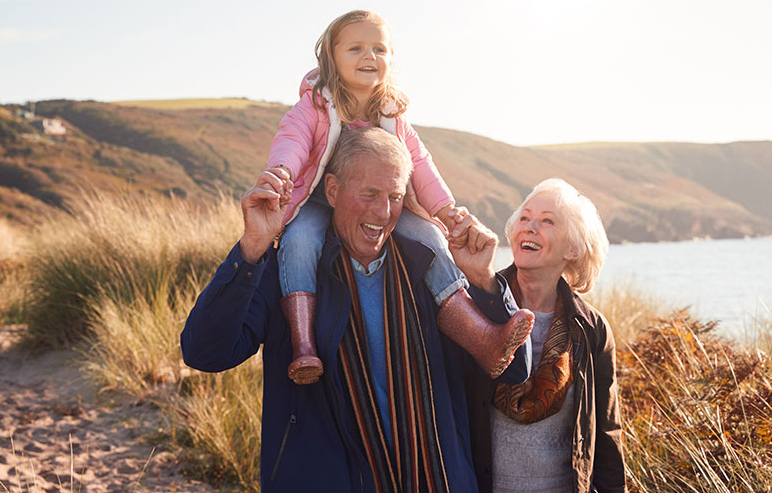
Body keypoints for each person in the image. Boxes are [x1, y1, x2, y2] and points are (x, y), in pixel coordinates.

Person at [181, 127, 534, 492]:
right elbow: (204, 353)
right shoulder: (288, 274)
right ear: (331, 190)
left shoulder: (431, 270)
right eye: (370, 194)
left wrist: (484, 281)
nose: (383, 212)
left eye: (395, 196)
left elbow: (513, 370)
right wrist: (252, 246)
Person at [265, 9, 516, 385]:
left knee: (431, 239)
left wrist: (446, 211)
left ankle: (481, 337)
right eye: (356, 48)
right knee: (300, 241)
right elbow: (293, 140)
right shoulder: (316, 105)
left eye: (380, 49)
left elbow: (420, 163)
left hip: (381, 200)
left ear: (391, 59)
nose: (369, 57)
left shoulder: (393, 113)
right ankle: (304, 345)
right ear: (331, 56)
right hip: (316, 199)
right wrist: (281, 172)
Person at [455, 179, 627, 493]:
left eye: (547, 221)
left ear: (573, 247)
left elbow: (607, 435)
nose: (530, 227)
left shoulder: (592, 330)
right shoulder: (474, 306)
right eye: (524, 218)